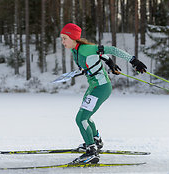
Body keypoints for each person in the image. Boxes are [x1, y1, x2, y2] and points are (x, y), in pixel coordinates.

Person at [60, 23, 147, 164]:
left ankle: (91, 152)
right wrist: (109, 63)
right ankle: (95, 141)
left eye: (65, 38)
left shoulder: (86, 48)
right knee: (85, 117)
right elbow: (100, 55)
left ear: (73, 38)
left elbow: (110, 49)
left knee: (80, 119)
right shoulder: (74, 50)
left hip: (101, 88)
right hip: (93, 87)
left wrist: (133, 61)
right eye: (62, 39)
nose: (62, 42)